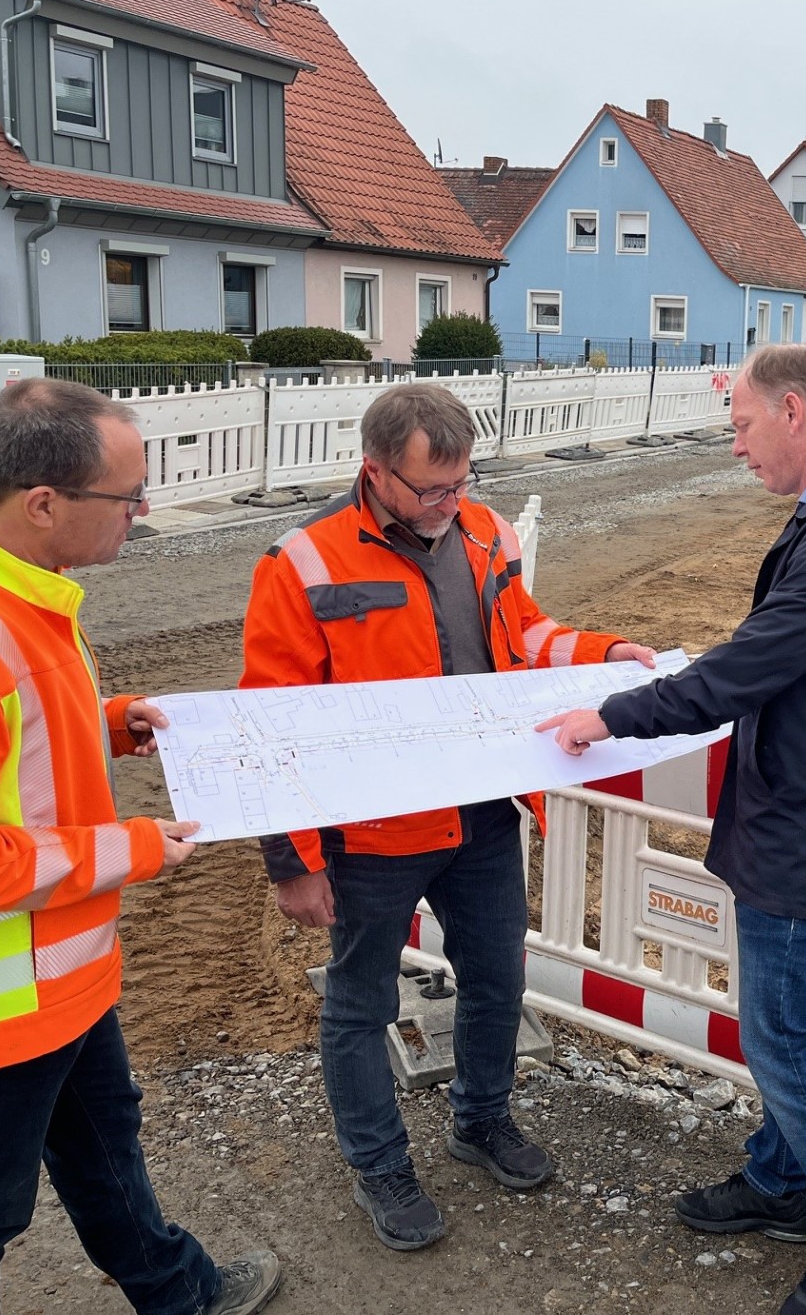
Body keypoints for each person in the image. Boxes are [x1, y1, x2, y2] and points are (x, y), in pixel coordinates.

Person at [0, 379, 279, 1315]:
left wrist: (111, 723)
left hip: (52, 976)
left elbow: (7, 742)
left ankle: (178, 1291)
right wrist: (134, 847)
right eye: (127, 498)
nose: (141, 515)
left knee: (105, 1146)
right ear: (43, 505)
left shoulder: (6, 587)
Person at [538, 344, 806, 1315]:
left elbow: (751, 664)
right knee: (780, 1032)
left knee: (785, 1038)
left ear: (794, 411)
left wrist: (615, 714)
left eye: (741, 424)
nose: (736, 446)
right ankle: (782, 1181)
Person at [241, 384, 654, 1253]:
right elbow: (272, 723)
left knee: (499, 978)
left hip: (483, 814)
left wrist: (602, 652)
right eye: (430, 489)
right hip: (374, 836)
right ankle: (380, 1166)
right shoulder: (303, 563)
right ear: (375, 472)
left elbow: (526, 636)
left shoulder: (484, 532)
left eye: (460, 483)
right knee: (360, 1003)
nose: (448, 503)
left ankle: (481, 1121)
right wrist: (293, 859)